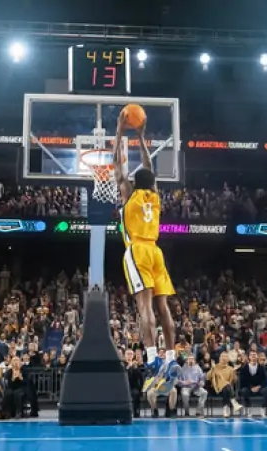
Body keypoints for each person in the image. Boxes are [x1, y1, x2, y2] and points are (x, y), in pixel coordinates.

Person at [111, 111, 178, 390]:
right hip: (156, 252)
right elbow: (148, 165)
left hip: (137, 250)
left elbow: (116, 165)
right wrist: (140, 135)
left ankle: (151, 357)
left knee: (144, 307)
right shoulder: (155, 194)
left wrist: (118, 130)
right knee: (164, 308)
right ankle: (172, 357)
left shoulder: (130, 194)